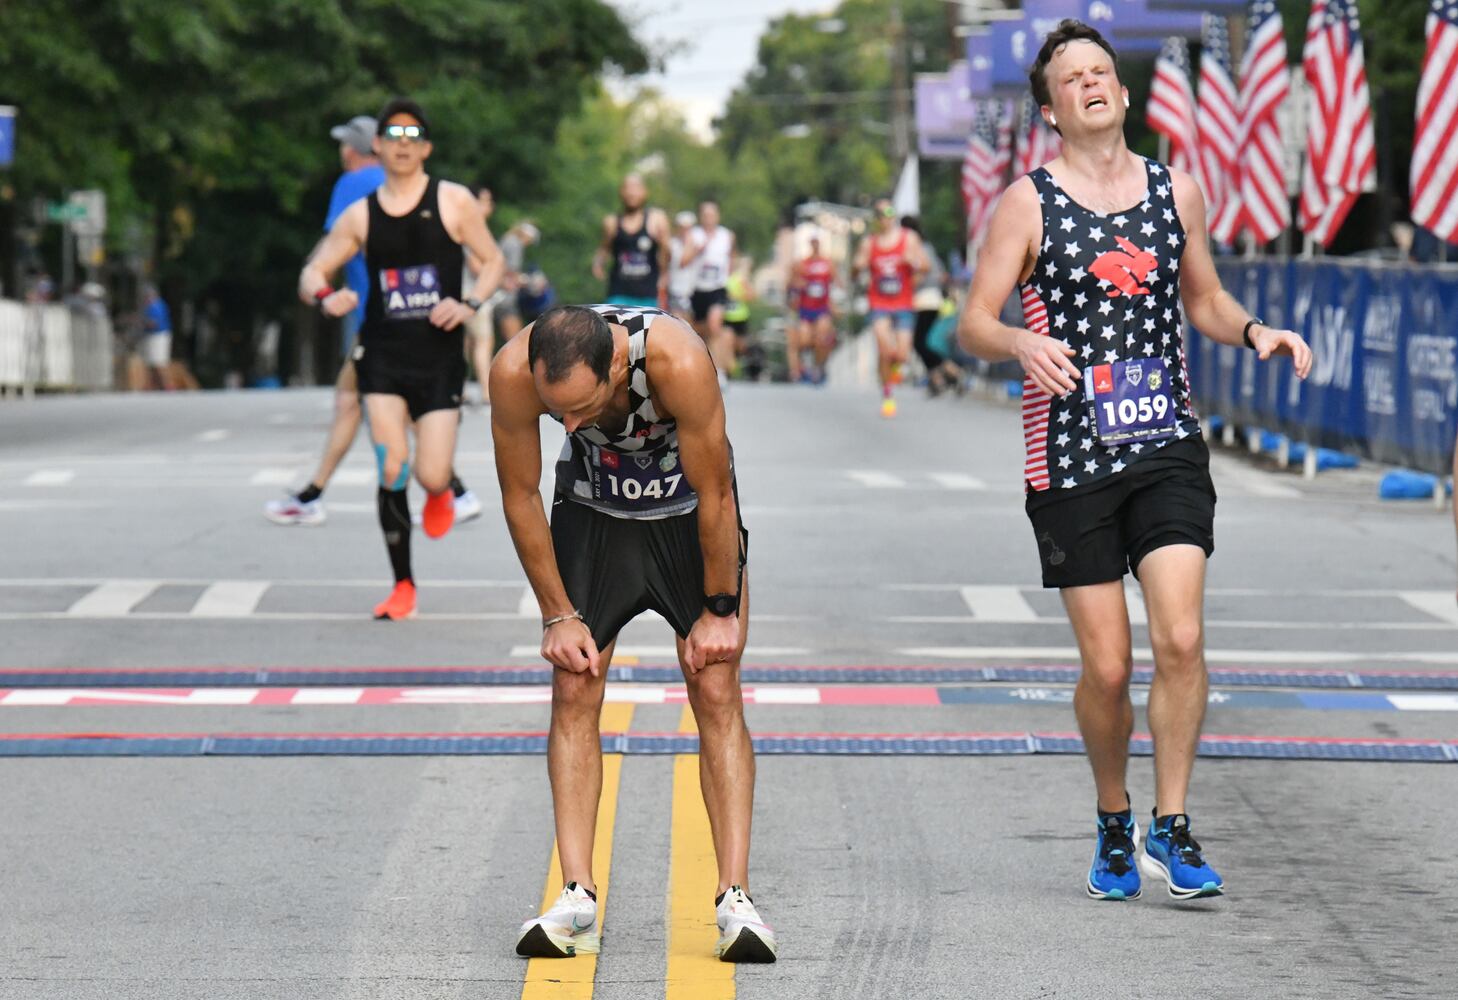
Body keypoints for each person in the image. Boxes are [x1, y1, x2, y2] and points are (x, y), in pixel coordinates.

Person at [958, 19, 1312, 902]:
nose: (1091, 83)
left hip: (1164, 445)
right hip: (1070, 456)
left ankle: (1175, 825)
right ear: (1050, 109)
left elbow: (1208, 299)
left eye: (1102, 70)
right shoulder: (1026, 203)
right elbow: (972, 319)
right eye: (1072, 77)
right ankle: (1114, 822)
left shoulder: (1175, 191)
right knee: (1109, 668)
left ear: (1122, 89)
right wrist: (1015, 344)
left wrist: (1258, 331)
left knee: (1182, 637)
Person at [491, 303, 775, 964]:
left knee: (715, 688)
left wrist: (720, 607)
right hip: (593, 514)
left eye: (582, 408)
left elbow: (717, 494)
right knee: (574, 686)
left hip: (685, 512)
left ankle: (736, 897)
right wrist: (557, 613)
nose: (569, 424)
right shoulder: (512, 370)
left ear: (616, 365)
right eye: (555, 411)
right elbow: (520, 494)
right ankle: (576, 896)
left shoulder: (677, 361)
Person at [300, 97, 505, 620]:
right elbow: (312, 272)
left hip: (438, 358)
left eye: (414, 137)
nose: (403, 145)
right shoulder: (360, 216)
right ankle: (403, 586)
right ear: (378, 146)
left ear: (427, 148)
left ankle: (438, 491)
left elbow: (492, 261)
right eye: (394, 136)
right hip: (382, 355)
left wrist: (470, 303)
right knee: (392, 465)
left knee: (433, 474)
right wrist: (327, 297)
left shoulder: (454, 201)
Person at [265, 116, 484, 526]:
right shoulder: (411, 186)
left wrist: (315, 280)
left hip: (374, 316)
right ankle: (314, 493)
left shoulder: (353, 184)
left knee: (388, 404)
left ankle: (454, 491)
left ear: (355, 149)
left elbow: (334, 245)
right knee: (351, 401)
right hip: (414, 313)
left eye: (344, 145)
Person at [854, 198, 928, 417]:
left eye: (887, 212)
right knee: (886, 349)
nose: (884, 218)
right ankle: (887, 394)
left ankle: (893, 371)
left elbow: (926, 266)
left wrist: (912, 264)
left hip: (903, 302)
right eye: (879, 214)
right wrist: (858, 267)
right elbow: (855, 270)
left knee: (902, 354)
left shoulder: (909, 239)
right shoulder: (869, 243)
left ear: (893, 216)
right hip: (879, 302)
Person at [592, 174, 670, 309]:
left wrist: (664, 274)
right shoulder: (611, 222)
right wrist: (598, 264)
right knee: (614, 328)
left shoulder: (657, 219)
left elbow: (666, 252)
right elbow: (604, 248)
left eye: (636, 188)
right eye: (628, 188)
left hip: (648, 293)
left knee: (649, 329)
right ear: (621, 192)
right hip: (618, 292)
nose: (632, 193)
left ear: (645, 192)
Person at [681, 201, 738, 378]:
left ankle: (718, 372)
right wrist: (698, 251)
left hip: (717, 288)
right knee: (699, 332)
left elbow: (732, 258)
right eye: (705, 215)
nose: (709, 218)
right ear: (701, 217)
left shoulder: (726, 235)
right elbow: (683, 261)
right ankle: (701, 368)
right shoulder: (694, 235)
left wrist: (728, 276)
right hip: (697, 289)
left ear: (718, 216)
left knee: (715, 325)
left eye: (712, 215)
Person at [464, 183, 498, 406]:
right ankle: (486, 392)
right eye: (485, 200)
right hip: (474, 292)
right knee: (483, 342)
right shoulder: (472, 228)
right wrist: (495, 270)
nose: (489, 206)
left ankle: (460, 389)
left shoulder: (458, 225)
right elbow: (477, 265)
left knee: (465, 344)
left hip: (458, 292)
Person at [787, 233, 837, 384]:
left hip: (822, 308)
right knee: (804, 339)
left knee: (822, 338)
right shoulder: (802, 263)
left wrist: (834, 304)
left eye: (817, 242)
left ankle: (819, 366)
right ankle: (807, 364)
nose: (815, 245)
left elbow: (835, 282)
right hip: (805, 308)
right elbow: (791, 283)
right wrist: (798, 284)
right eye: (812, 242)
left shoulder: (828, 263)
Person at [491, 220, 541, 344]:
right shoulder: (515, 245)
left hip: (496, 294)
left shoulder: (507, 240)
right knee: (516, 340)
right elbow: (511, 273)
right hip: (504, 297)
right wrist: (529, 281)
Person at [667, 210, 699, 322]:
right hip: (677, 290)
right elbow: (683, 262)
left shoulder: (698, 241)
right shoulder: (673, 244)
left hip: (694, 290)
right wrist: (690, 244)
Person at [140, 284, 173, 391]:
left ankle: (167, 386)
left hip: (158, 336)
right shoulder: (152, 306)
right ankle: (154, 386)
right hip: (153, 336)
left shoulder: (156, 306)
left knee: (159, 363)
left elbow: (154, 323)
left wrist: (142, 323)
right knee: (152, 363)